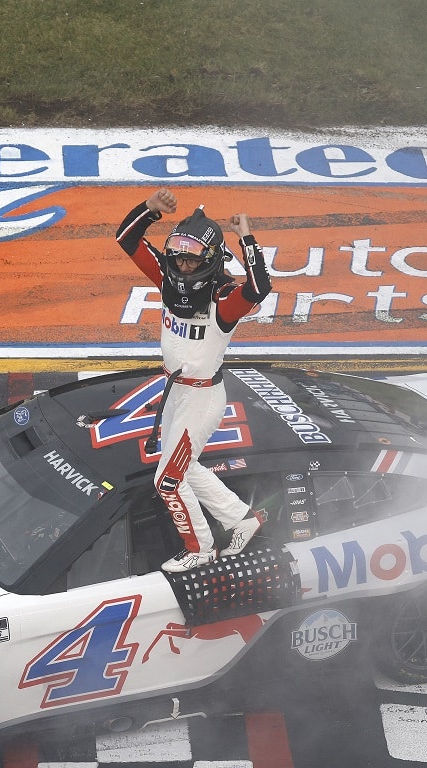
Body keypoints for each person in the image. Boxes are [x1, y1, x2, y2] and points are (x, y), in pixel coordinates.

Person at [116, 188, 273, 572]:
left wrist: (246, 236)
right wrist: (150, 210)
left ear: (211, 259)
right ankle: (241, 518)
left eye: (192, 259)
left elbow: (259, 288)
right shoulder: (167, 277)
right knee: (183, 470)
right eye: (179, 257)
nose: (184, 266)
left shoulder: (224, 299)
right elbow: (127, 238)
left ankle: (201, 549)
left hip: (201, 399)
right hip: (174, 393)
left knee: (167, 482)